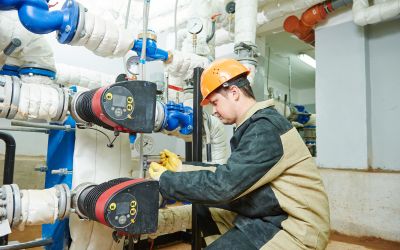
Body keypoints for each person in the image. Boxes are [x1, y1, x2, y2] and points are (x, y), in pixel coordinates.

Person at [149, 58, 330, 249]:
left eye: (216, 102)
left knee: (214, 195)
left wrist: (165, 180)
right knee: (203, 204)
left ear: (234, 93)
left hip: (297, 227)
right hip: (272, 214)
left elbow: (223, 186)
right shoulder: (257, 125)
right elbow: (229, 173)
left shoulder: (265, 128)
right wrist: (180, 167)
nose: (215, 111)